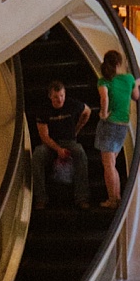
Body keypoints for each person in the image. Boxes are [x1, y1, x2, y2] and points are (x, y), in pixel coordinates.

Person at [34, 79, 91, 208]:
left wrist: (78, 128)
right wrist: (58, 149)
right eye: (56, 97)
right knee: (38, 154)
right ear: (50, 97)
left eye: (62, 96)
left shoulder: (71, 104)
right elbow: (44, 136)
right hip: (51, 144)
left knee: (80, 152)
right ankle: (40, 198)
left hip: (69, 141)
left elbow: (87, 111)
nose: (60, 100)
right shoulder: (43, 110)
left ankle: (82, 197)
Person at [96, 49, 140, 207]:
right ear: (119, 63)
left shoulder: (104, 81)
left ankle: (113, 199)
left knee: (108, 164)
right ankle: (117, 196)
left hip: (110, 124)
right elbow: (136, 96)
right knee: (112, 162)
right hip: (123, 125)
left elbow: (104, 97)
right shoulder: (128, 79)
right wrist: (138, 82)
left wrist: (103, 113)